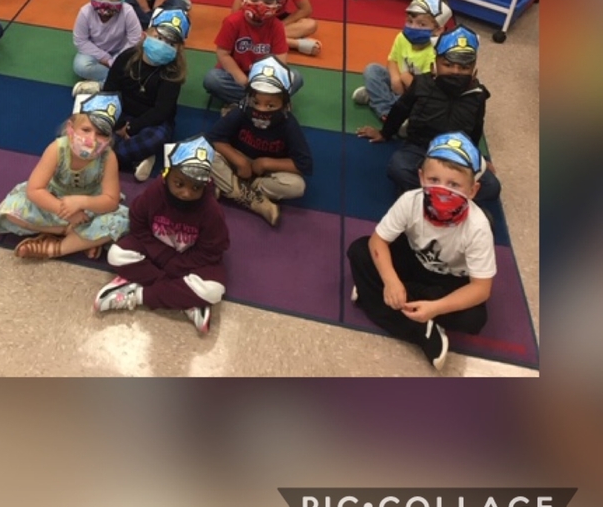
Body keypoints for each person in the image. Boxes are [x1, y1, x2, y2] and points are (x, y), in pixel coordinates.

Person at [347, 132, 496, 371]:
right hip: (413, 260)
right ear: (421, 177)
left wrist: (435, 308)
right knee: (358, 251)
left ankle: (373, 294)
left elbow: (481, 288)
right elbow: (377, 242)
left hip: (448, 279)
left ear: (472, 190)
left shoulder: (477, 227)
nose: (442, 190)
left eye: (454, 185)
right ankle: (420, 329)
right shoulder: (410, 200)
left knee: (474, 319)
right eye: (434, 179)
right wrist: (391, 280)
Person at [93, 137, 229, 335]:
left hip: (189, 262)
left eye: (196, 188)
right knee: (116, 254)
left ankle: (138, 294)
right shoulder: (155, 192)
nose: (186, 193)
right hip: (155, 251)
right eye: (179, 183)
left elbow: (212, 251)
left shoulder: (211, 210)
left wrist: (176, 264)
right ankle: (184, 299)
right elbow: (138, 222)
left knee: (214, 291)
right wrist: (164, 258)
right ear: (166, 175)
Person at [357, 26, 501, 204]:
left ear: (474, 71)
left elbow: (477, 126)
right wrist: (384, 133)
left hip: (457, 151)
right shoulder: (422, 84)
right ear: (434, 66)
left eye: (464, 67)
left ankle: (431, 194)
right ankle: (444, 195)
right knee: (398, 168)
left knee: (492, 187)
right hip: (421, 147)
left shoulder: (477, 95)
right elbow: (401, 109)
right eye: (448, 65)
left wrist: (478, 156)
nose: (456, 72)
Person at [0, 93, 129, 259]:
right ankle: (73, 235)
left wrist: (81, 202)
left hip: (90, 209)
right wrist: (65, 212)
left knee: (122, 221)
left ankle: (57, 248)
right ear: (71, 128)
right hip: (53, 202)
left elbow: (111, 200)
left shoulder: (108, 157)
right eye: (86, 130)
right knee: (10, 210)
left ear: (109, 138)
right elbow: (34, 190)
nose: (91, 139)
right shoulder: (57, 149)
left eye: (101, 134)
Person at [206, 57, 312, 226]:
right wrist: (239, 161)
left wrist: (265, 163)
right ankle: (255, 201)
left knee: (297, 186)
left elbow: (303, 164)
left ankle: (228, 187)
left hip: (266, 172)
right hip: (237, 162)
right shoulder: (241, 112)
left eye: (270, 106)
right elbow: (213, 138)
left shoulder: (288, 124)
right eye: (256, 102)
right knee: (204, 153)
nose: (261, 109)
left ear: (284, 105)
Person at [103, 7, 191, 182]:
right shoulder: (126, 58)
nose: (163, 45)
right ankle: (136, 156)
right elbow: (109, 91)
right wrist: (119, 123)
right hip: (121, 111)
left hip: (152, 121)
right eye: (159, 38)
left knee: (156, 138)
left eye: (171, 44)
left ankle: (106, 157)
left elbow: (162, 111)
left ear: (179, 49)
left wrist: (132, 128)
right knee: (94, 120)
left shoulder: (172, 73)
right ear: (144, 35)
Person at [203, 0, 302, 108]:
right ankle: (264, 103)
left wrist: (267, 82)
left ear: (277, 6)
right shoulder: (232, 22)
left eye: (268, 2)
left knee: (296, 77)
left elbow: (280, 60)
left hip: (265, 77)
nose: (260, 5)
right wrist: (243, 81)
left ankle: (248, 103)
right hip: (236, 76)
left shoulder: (277, 26)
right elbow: (223, 53)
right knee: (213, 80)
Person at [353, 0, 452, 122]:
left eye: (422, 24)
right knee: (372, 70)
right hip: (399, 84)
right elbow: (392, 60)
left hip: (417, 94)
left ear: (438, 30)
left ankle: (378, 100)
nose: (413, 27)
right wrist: (395, 78)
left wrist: (404, 77)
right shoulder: (402, 37)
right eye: (410, 21)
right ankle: (386, 108)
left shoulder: (437, 52)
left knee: (426, 107)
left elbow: (424, 90)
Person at [72, 0, 144, 94]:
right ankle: (114, 81)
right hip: (95, 53)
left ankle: (102, 84)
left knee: (139, 65)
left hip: (122, 53)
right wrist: (106, 59)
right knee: (80, 66)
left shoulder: (128, 11)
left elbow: (135, 39)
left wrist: (117, 59)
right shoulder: (85, 12)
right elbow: (81, 41)